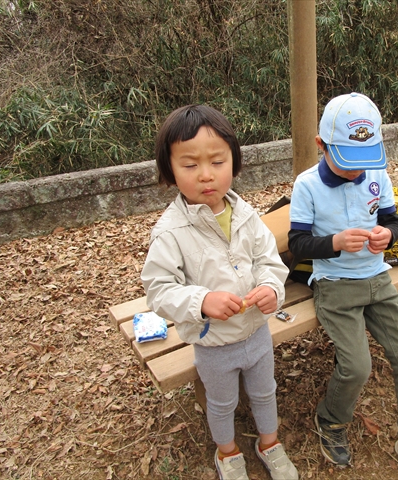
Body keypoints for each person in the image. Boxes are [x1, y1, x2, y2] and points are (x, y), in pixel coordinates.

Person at [288, 92, 398, 480]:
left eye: (363, 162)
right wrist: (336, 243)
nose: (356, 172)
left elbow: (393, 221)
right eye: (347, 162)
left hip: (377, 278)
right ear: (321, 145)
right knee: (357, 366)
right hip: (335, 283)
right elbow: (297, 245)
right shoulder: (307, 185)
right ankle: (330, 419)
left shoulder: (376, 172)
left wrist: (387, 236)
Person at [141, 105, 298, 480]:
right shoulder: (170, 232)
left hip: (257, 332)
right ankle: (227, 453)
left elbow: (269, 260)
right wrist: (201, 301)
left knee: (265, 392)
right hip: (213, 345)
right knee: (222, 402)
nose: (206, 175)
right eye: (190, 165)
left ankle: (269, 443)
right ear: (170, 170)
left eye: (217, 161)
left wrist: (270, 287)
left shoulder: (246, 215)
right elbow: (158, 290)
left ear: (234, 161)